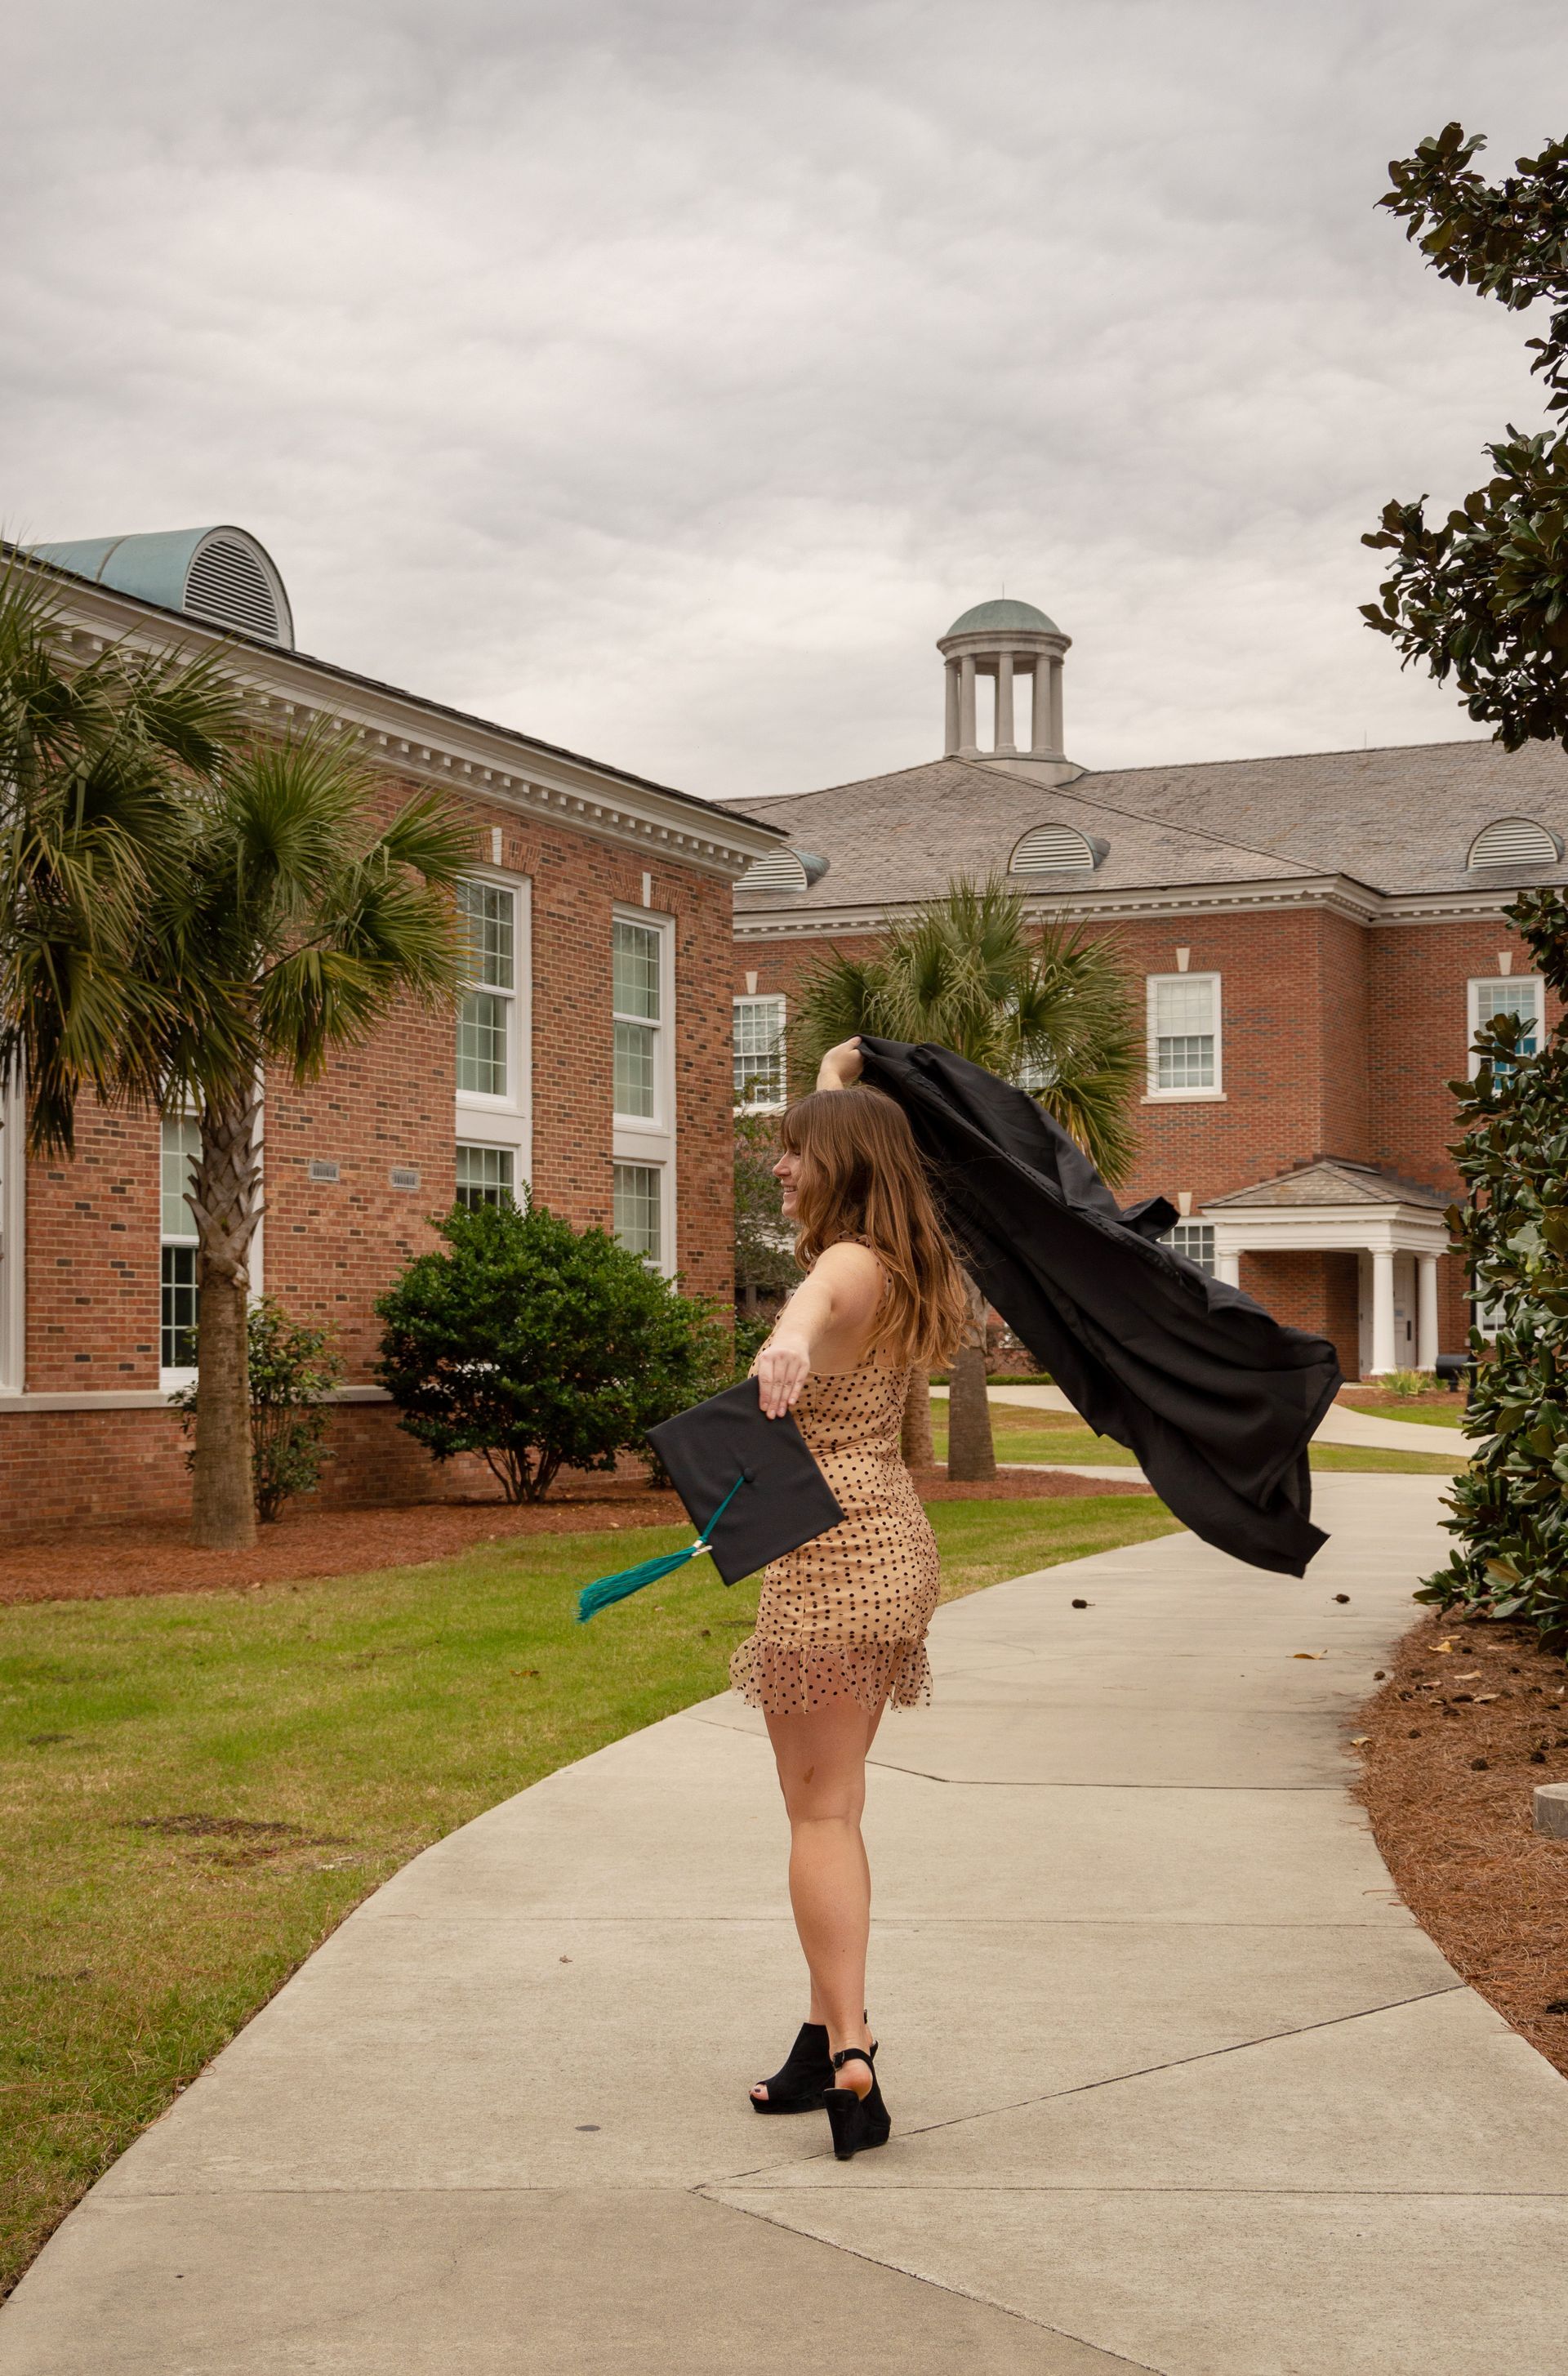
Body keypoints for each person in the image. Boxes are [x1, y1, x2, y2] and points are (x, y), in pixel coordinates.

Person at [732, 1036, 967, 2159]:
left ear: (844, 1170)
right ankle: (817, 2034)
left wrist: (781, 1344)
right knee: (838, 1802)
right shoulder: (905, 1254)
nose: (780, 1168)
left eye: (794, 1155)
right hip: (886, 1543)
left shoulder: (845, 1270)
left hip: (830, 1559)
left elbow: (813, 1302)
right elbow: (850, 1164)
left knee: (818, 1813)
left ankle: (852, 2054)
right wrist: (835, 1086)